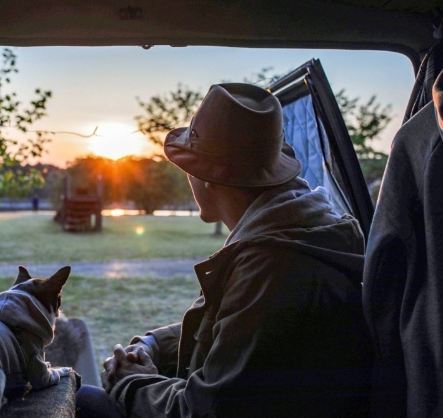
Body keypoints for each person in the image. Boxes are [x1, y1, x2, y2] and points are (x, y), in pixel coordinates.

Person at [75, 83, 372, 417]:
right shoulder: (299, 232)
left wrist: (130, 383)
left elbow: (202, 410)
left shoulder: (271, 265)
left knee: (82, 401)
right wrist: (154, 345)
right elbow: (234, 328)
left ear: (206, 178)